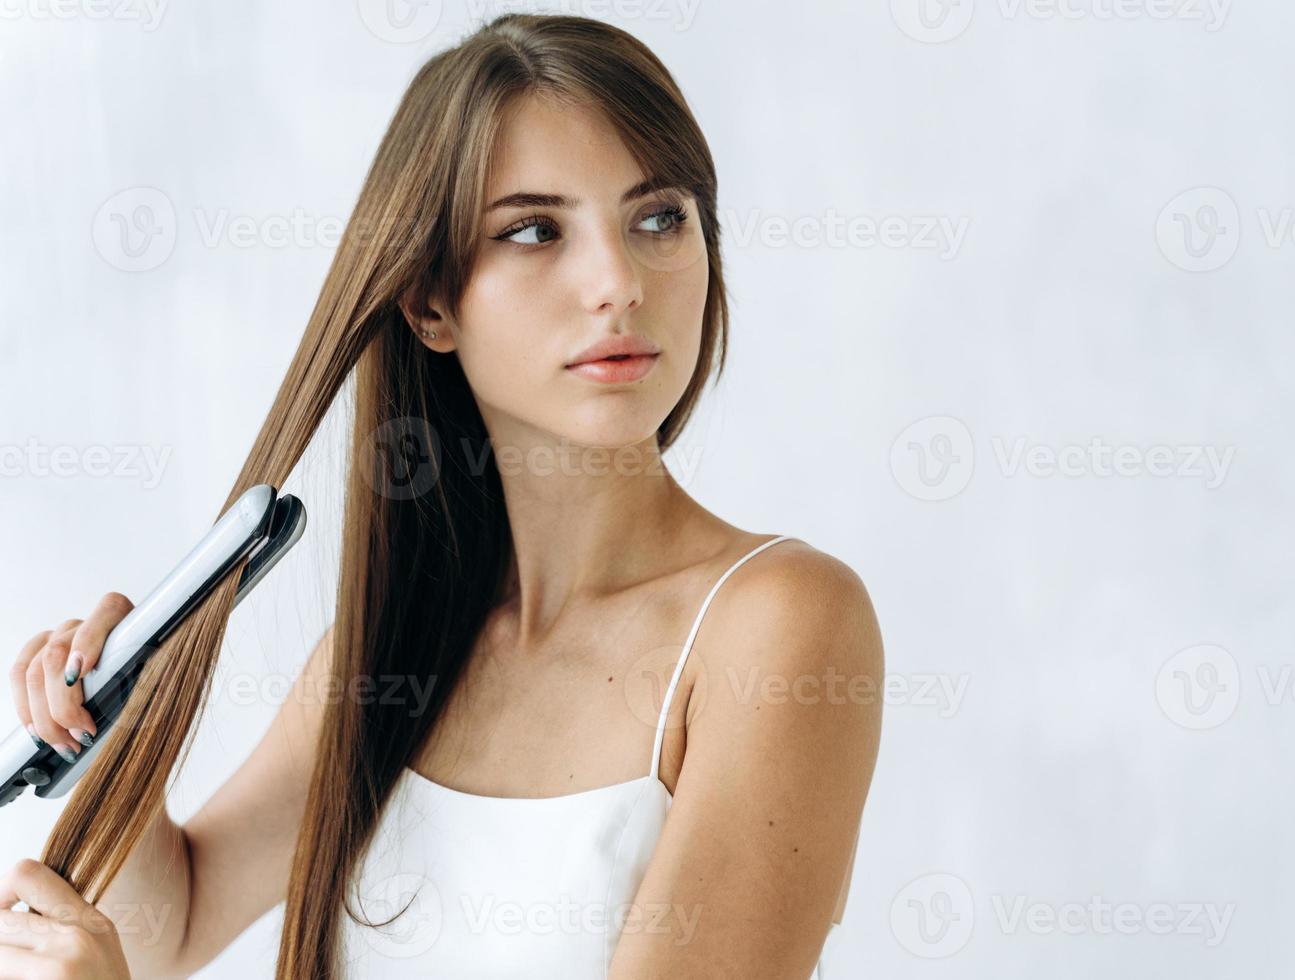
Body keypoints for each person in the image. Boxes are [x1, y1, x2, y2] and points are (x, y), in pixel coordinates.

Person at [3, 14, 883, 979]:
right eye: (536, 230)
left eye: (658, 216)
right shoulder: (395, 643)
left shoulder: (778, 625)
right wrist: (122, 742)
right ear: (430, 305)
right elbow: (173, 928)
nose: (618, 281)